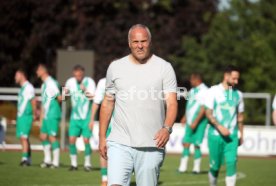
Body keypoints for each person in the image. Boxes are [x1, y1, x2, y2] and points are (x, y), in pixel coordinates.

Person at [99, 24, 178, 186]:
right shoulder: (115, 67)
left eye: (144, 41)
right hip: (119, 142)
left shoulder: (165, 68)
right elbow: (107, 103)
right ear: (129, 43)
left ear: (150, 42)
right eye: (135, 41)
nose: (140, 45)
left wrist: (167, 128)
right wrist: (101, 137)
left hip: (152, 144)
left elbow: (171, 103)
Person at [205, 65, 244, 186]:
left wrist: (241, 135)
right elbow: (208, 113)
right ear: (226, 76)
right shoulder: (213, 91)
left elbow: (240, 117)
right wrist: (220, 127)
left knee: (232, 163)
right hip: (215, 135)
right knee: (215, 167)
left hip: (231, 137)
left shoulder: (237, 94)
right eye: (234, 78)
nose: (236, 82)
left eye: (237, 79)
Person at [64, 65, 95, 171]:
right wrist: (65, 94)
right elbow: (64, 98)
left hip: (87, 116)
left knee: (86, 140)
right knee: (71, 140)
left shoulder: (89, 81)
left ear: (83, 73)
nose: (78, 77)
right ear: (74, 74)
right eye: (76, 75)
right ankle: (74, 164)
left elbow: (93, 97)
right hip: (75, 117)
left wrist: (85, 90)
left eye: (80, 75)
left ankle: (87, 164)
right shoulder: (69, 82)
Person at [178, 73, 208, 173]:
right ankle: (183, 168)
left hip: (199, 123)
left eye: (191, 80)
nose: (190, 82)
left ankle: (196, 168)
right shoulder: (192, 91)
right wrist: (185, 117)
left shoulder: (205, 91)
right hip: (190, 122)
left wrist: (196, 121)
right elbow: (190, 104)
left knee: (196, 144)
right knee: (186, 143)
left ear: (196, 79)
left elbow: (203, 108)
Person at [36, 64, 61, 168]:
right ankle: (47, 160)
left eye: (38, 70)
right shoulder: (43, 85)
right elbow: (43, 103)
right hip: (46, 115)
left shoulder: (51, 82)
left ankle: (56, 162)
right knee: (43, 136)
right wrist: (41, 118)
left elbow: (59, 97)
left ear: (43, 71)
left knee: (52, 137)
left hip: (52, 114)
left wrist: (54, 109)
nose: (36, 72)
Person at [89, 77, 110, 186]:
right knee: (104, 149)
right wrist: (91, 119)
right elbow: (96, 102)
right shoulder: (102, 82)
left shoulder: (127, 79)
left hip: (123, 122)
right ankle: (104, 178)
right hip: (107, 121)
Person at [15, 69, 36, 166]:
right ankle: (29, 159)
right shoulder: (22, 88)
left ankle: (24, 159)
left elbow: (33, 101)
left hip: (26, 116)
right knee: (24, 138)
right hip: (21, 116)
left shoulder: (28, 87)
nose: (15, 77)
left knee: (24, 137)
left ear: (22, 75)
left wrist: (35, 114)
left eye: (17, 75)